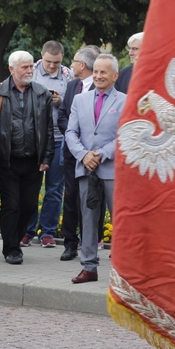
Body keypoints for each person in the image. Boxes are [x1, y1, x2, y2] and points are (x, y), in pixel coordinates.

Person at [65, 54, 126, 283]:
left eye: (104, 72)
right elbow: (70, 133)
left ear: (115, 75)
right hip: (86, 168)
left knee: (119, 219)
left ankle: (122, 270)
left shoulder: (124, 101)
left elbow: (126, 135)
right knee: (88, 219)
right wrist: (83, 155)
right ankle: (89, 267)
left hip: (112, 169)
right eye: (97, 71)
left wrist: (102, 154)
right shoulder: (80, 100)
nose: (99, 76)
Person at [0, 51, 54, 265]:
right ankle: (11, 248)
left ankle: (14, 241)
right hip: (7, 160)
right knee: (11, 205)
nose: (29, 71)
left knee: (28, 206)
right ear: (11, 69)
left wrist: (46, 156)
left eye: (31, 67)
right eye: (25, 67)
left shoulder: (41, 93)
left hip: (33, 161)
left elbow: (48, 129)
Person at [22, 40, 71, 248]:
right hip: (35, 140)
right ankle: (26, 230)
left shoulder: (69, 76)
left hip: (59, 139)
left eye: (57, 62)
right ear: (41, 56)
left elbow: (73, 105)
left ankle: (48, 232)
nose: (52, 66)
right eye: (49, 62)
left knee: (54, 189)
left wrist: (61, 102)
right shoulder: (30, 72)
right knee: (31, 187)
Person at [58, 46, 99, 261]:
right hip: (72, 154)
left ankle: (90, 243)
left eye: (73, 61)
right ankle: (69, 243)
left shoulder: (103, 87)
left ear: (82, 65)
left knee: (92, 200)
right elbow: (63, 115)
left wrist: (87, 145)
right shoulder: (73, 85)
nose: (71, 65)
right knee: (71, 198)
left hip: (95, 156)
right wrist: (75, 141)